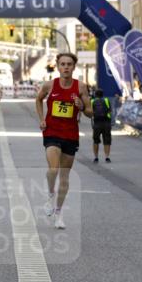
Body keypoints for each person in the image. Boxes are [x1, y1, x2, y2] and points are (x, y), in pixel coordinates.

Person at [35, 52, 92, 230]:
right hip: (52, 131)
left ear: (74, 67)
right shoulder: (49, 85)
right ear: (58, 66)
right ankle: (50, 193)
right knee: (53, 169)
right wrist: (41, 119)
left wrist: (81, 107)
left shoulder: (81, 87)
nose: (66, 67)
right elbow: (38, 99)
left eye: (69, 64)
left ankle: (58, 213)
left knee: (65, 177)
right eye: (62, 64)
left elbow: (90, 112)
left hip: (70, 134)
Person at [91, 87, 113, 163]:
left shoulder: (93, 101)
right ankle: (107, 157)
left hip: (97, 123)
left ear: (95, 94)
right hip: (106, 123)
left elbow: (91, 112)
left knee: (96, 140)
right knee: (107, 140)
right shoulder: (106, 100)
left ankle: (96, 157)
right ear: (103, 94)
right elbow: (110, 110)